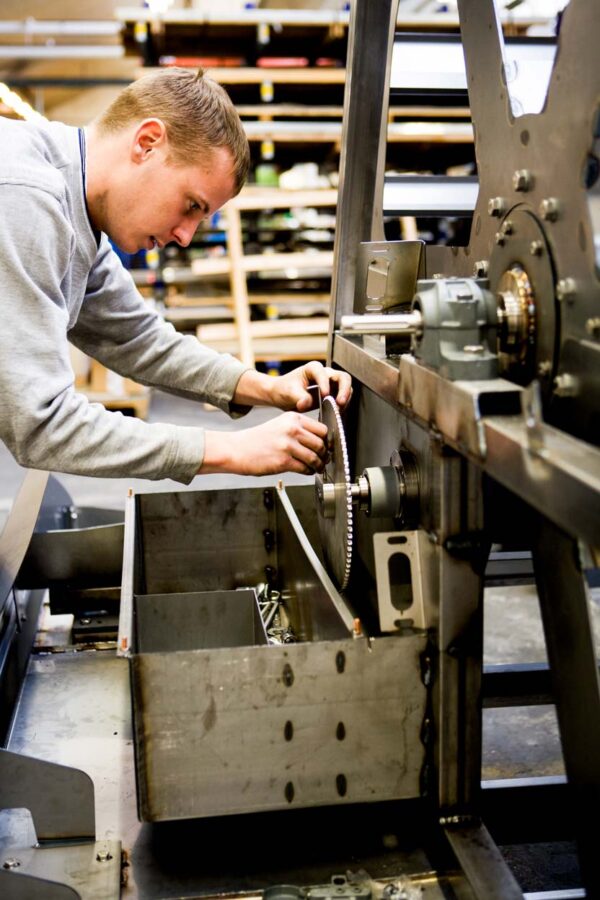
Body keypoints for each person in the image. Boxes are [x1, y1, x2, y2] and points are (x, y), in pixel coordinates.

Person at [0, 67, 351, 483]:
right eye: (191, 206)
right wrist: (230, 448)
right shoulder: (25, 196)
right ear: (147, 143)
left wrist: (266, 387)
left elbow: (135, 338)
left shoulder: (78, 210)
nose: (186, 237)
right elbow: (41, 424)